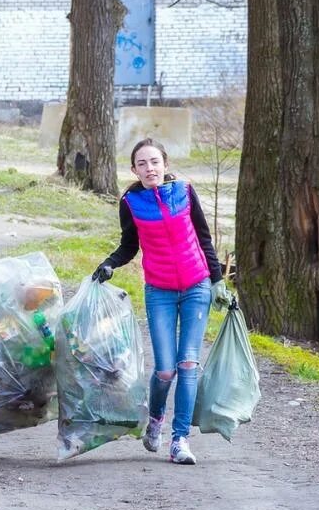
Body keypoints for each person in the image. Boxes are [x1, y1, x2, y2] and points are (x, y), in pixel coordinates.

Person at [91, 137, 232, 465]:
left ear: (165, 165)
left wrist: (218, 281)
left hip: (196, 286)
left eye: (154, 162)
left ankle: (180, 439)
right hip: (160, 291)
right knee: (166, 369)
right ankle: (155, 419)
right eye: (142, 163)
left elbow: (204, 237)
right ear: (134, 170)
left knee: (188, 364)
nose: (149, 168)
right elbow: (129, 245)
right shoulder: (130, 202)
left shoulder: (184, 191)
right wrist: (110, 264)